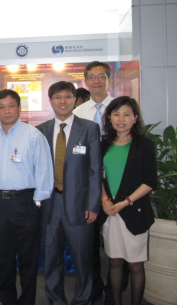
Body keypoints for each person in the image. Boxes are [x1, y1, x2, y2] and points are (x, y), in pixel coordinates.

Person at [37, 81, 101, 305]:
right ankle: (56, 300)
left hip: (80, 206)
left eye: (67, 96)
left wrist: (93, 205)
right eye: (57, 97)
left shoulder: (89, 128)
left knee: (83, 260)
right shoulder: (41, 130)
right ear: (50, 100)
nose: (62, 101)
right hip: (49, 206)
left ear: (75, 99)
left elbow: (95, 171)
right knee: (51, 259)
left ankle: (83, 300)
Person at [0, 89, 53, 305]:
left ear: (19, 107)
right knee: (3, 259)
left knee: (28, 259)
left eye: (11, 105)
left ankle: (27, 301)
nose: (6, 110)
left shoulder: (33, 135)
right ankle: (7, 300)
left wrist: (37, 202)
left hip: (26, 204)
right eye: (1, 106)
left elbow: (44, 171)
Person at [100, 96, 157, 305]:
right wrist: (105, 200)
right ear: (110, 118)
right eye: (116, 114)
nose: (120, 119)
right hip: (110, 212)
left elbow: (150, 181)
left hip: (134, 211)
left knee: (135, 265)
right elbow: (98, 176)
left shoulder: (144, 144)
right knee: (114, 262)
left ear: (135, 118)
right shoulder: (103, 144)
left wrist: (125, 202)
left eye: (126, 114)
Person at [73, 61, 117, 303]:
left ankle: (116, 289)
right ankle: (94, 287)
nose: (97, 81)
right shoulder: (78, 113)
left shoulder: (120, 108)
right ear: (85, 81)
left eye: (101, 76)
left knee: (115, 242)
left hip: (116, 184)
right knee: (89, 243)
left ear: (108, 79)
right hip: (88, 186)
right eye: (92, 77)